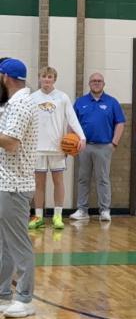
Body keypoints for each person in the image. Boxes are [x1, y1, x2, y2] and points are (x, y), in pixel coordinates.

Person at [0, 58, 40, 318]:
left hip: (14, 185)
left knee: (18, 243)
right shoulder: (14, 104)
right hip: (7, 183)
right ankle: (3, 294)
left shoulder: (22, 104)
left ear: (6, 77)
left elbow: (11, 143)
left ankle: (25, 298)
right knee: (4, 244)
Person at [29, 66, 86, 230]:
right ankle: (38, 216)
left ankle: (58, 215)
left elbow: (72, 118)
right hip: (37, 147)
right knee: (38, 184)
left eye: (50, 77)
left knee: (58, 182)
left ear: (54, 79)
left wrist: (82, 137)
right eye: (44, 76)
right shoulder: (32, 98)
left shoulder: (62, 97)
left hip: (58, 148)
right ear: (39, 78)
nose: (46, 79)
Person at [72, 73, 125, 222]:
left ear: (104, 83)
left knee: (103, 179)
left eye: (99, 81)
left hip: (104, 147)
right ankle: (82, 210)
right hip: (84, 147)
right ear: (89, 84)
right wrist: (72, 143)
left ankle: (105, 210)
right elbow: (72, 123)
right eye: (93, 81)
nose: (96, 83)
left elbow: (120, 123)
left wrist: (114, 143)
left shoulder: (112, 102)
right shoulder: (80, 102)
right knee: (83, 179)